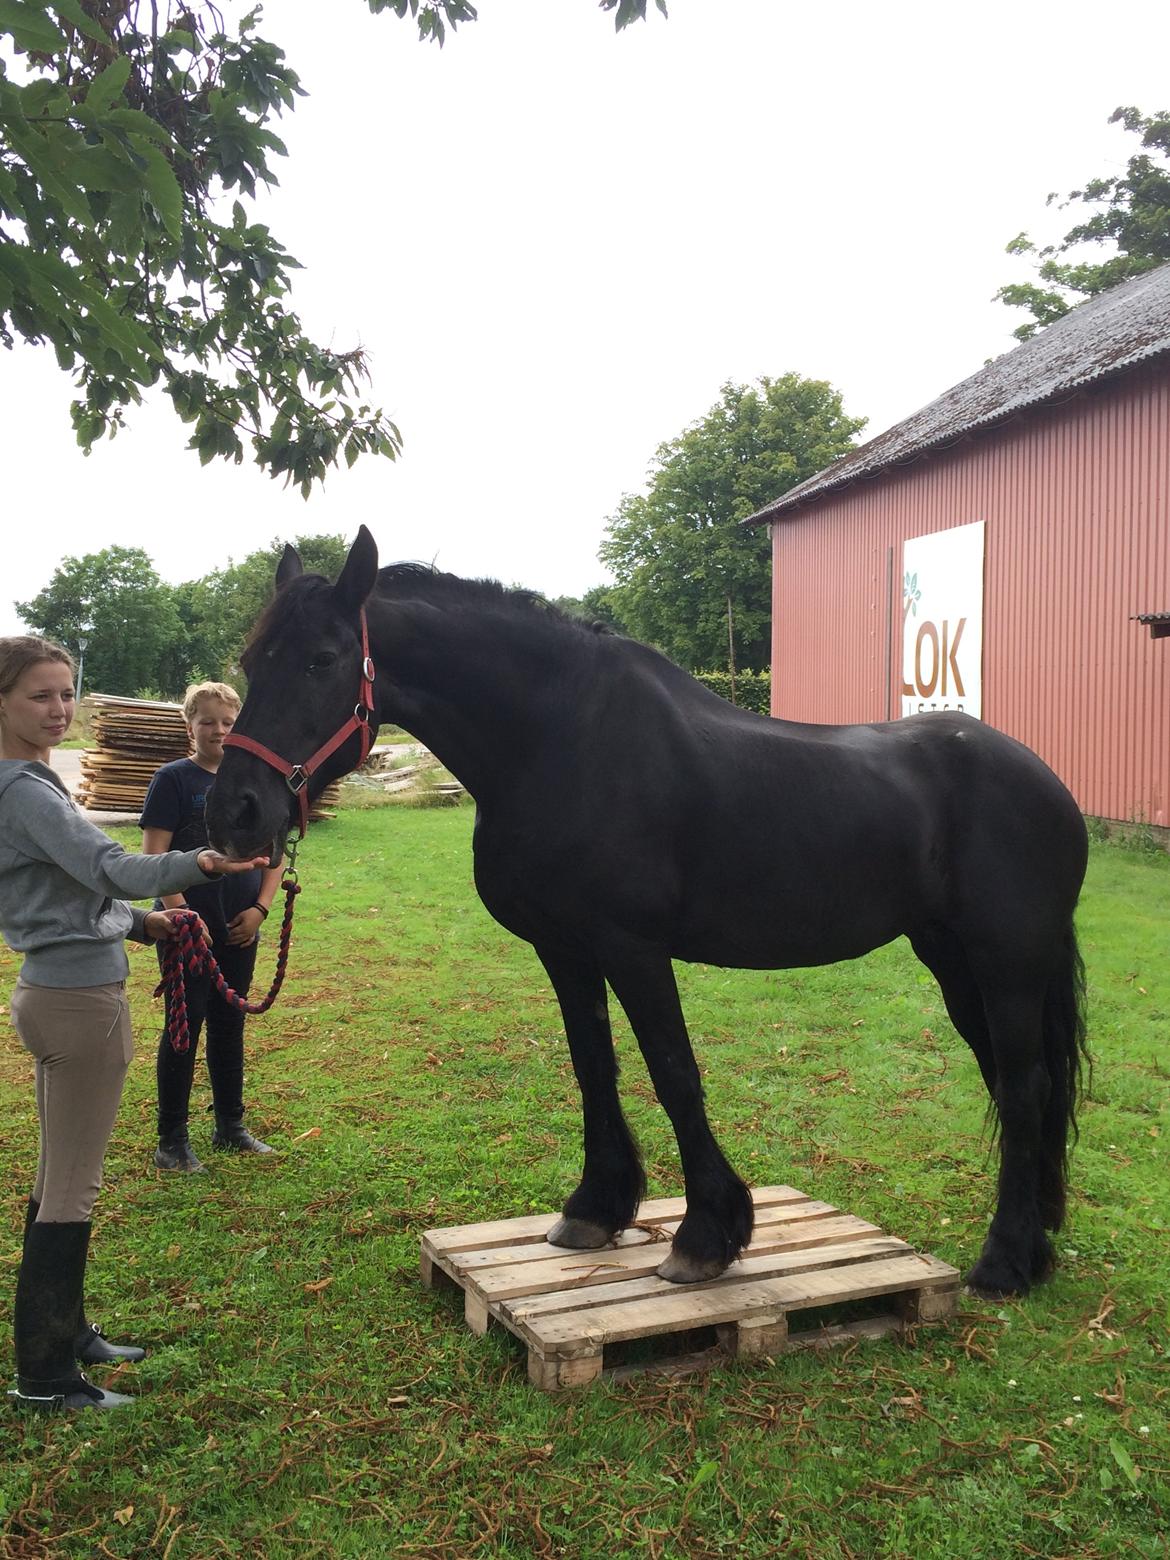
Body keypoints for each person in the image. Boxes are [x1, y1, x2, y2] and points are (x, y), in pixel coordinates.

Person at [0, 637, 270, 1412]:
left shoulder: (27, 783)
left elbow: (69, 894)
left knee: (58, 1176)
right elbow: (115, 867)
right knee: (71, 1188)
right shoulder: (25, 791)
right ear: (2, 703)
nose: (59, 710)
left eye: (65, 694)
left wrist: (139, 924)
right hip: (80, 1005)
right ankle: (47, 1374)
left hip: (57, 988)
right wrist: (204, 863)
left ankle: (66, 1327)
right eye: (39, 697)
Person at [142, 682, 283, 1172]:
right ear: (190, 725)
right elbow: (153, 856)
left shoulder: (253, 781)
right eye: (208, 721)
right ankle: (172, 1140)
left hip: (241, 925)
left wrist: (261, 909)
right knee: (184, 1027)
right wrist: (181, 912)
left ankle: (230, 1124)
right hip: (187, 930)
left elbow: (273, 855)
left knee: (230, 1023)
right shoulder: (174, 780)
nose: (219, 731)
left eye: (228, 722)